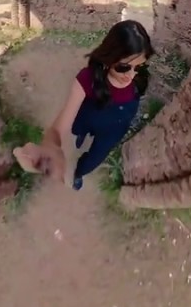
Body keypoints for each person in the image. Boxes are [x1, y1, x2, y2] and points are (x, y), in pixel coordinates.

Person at [13, 19, 155, 190]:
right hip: (91, 114)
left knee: (96, 156)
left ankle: (79, 173)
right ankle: (82, 134)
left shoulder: (139, 79)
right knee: (79, 127)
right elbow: (59, 128)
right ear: (110, 57)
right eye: (124, 67)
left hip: (116, 125)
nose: (131, 75)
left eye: (139, 67)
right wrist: (49, 149)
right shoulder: (88, 79)